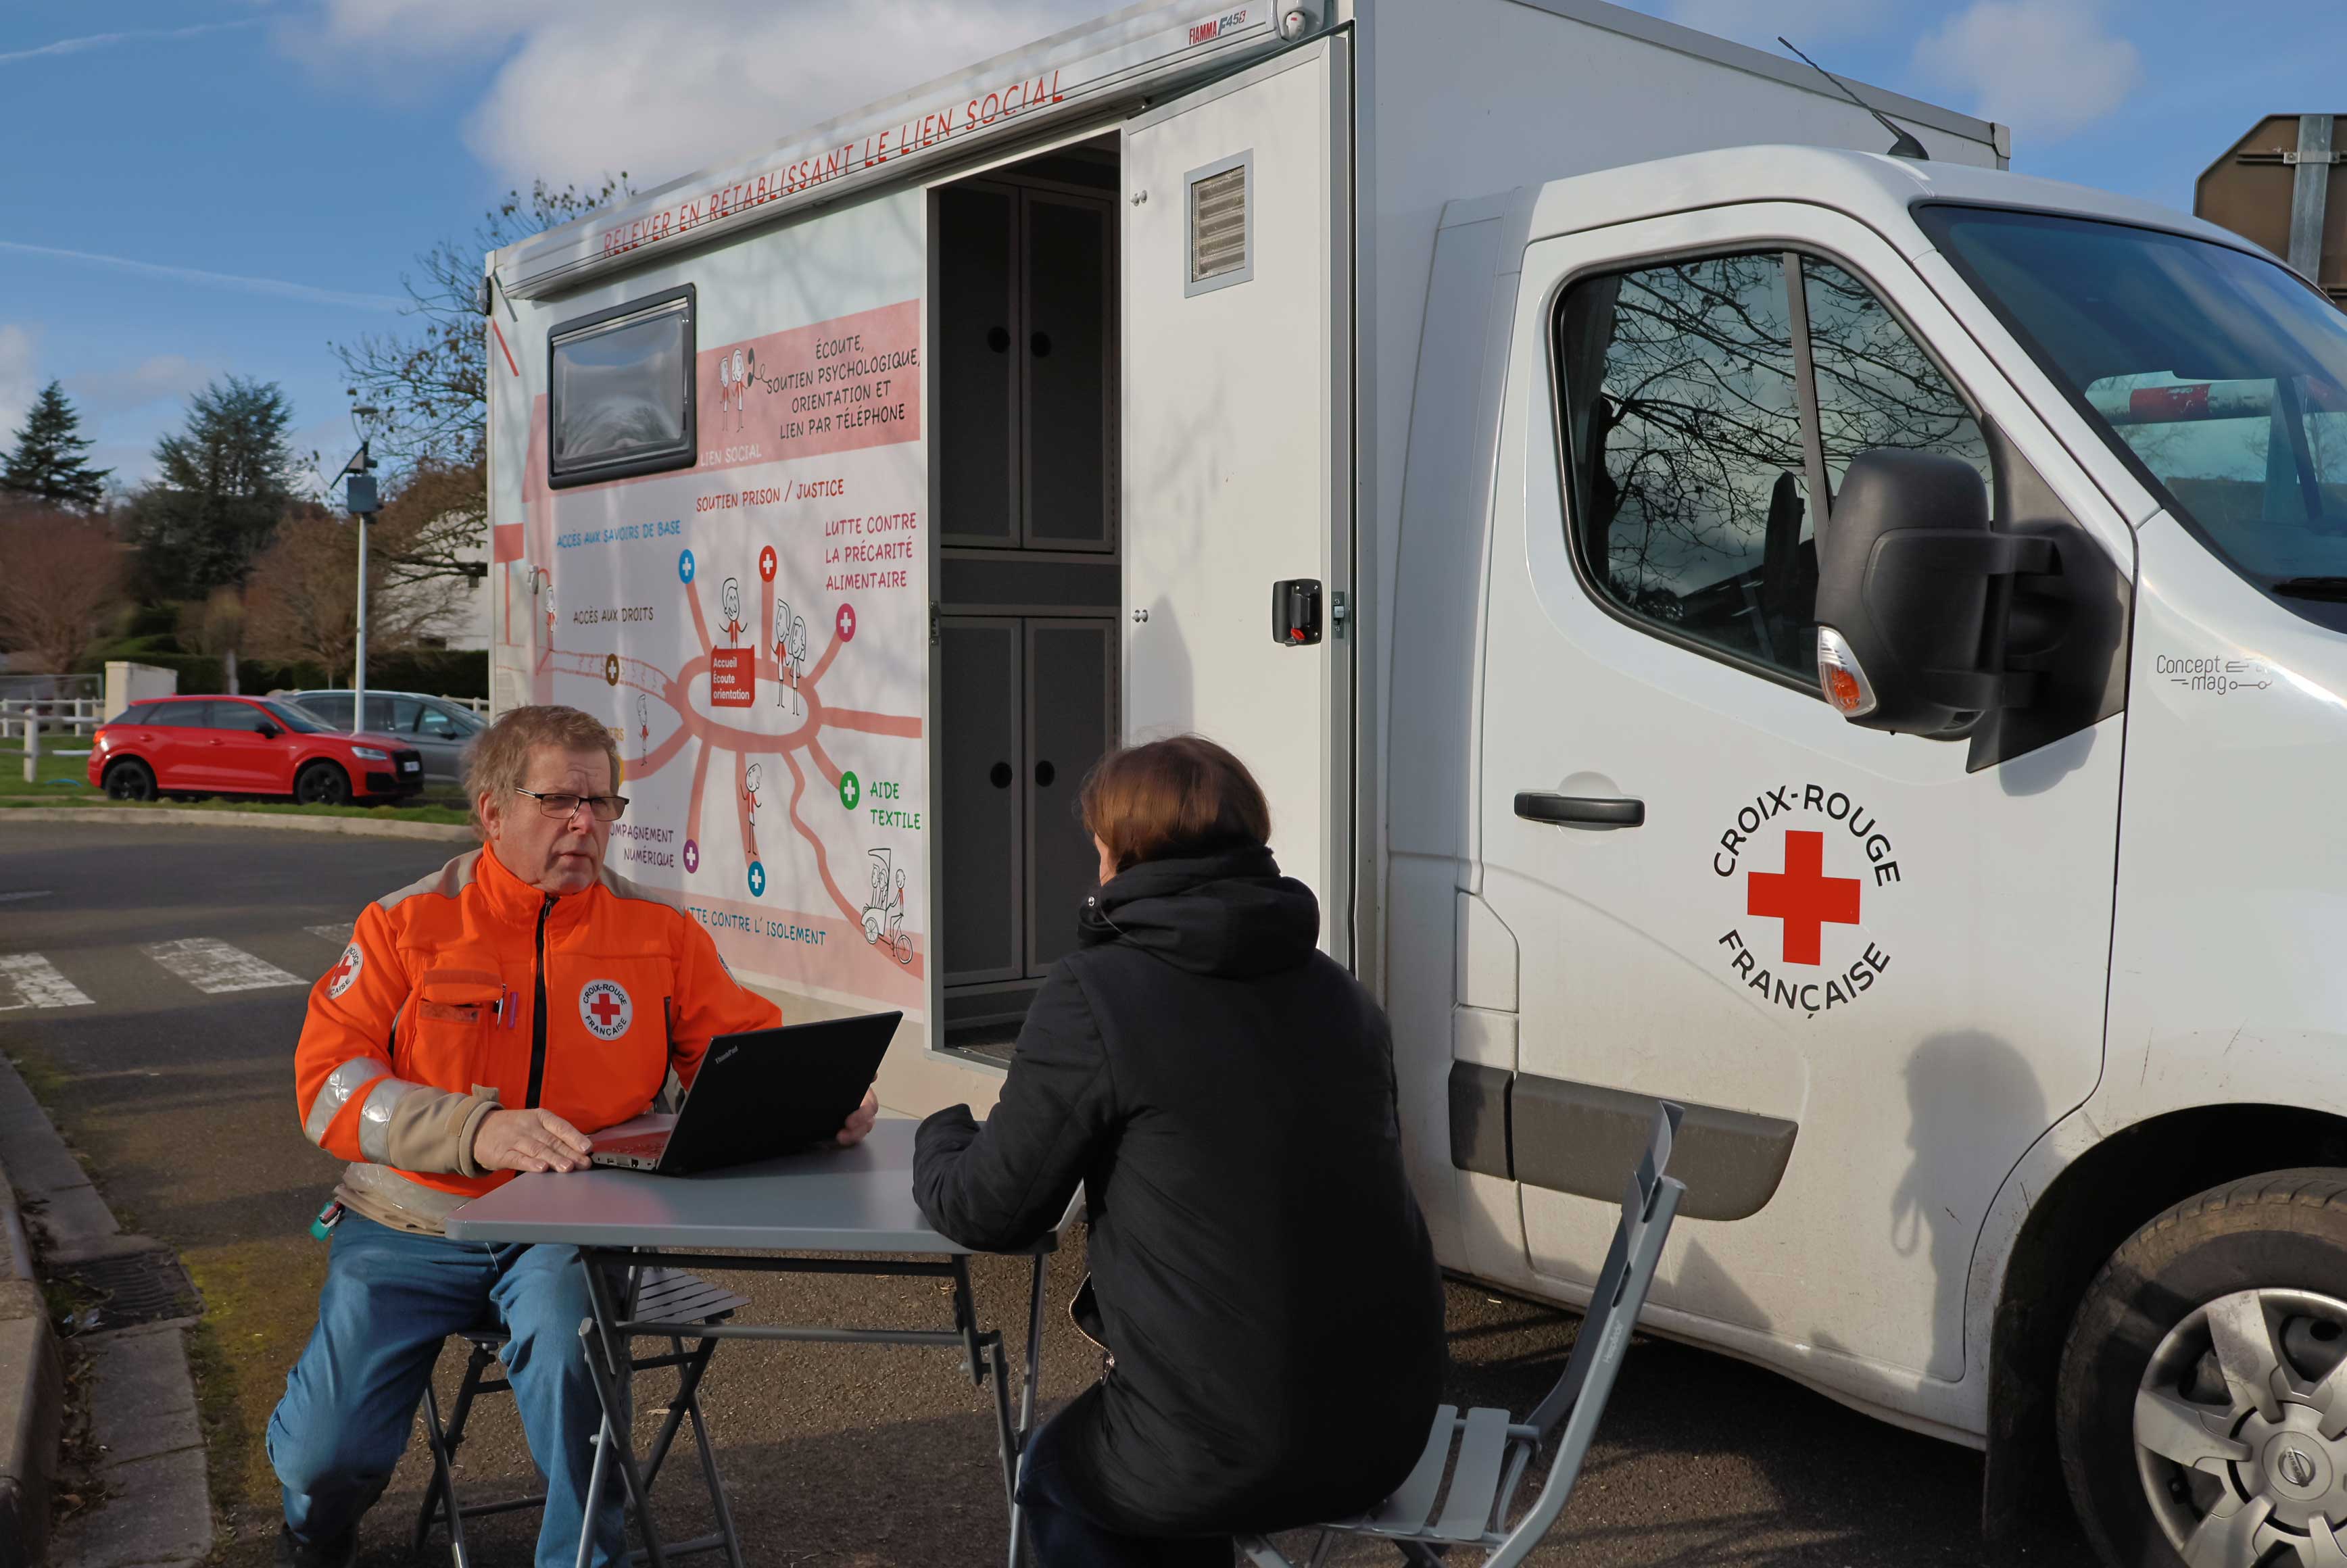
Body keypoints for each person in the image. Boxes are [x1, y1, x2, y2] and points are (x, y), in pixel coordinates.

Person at [269, 704, 877, 1568]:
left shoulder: (657, 933)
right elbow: (328, 1085)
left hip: (569, 1228)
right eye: (559, 801)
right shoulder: (405, 925)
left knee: (573, 1353)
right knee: (322, 1457)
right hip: (408, 1228)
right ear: (491, 810)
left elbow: (739, 1061)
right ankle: (314, 1525)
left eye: (602, 805)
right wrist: (475, 1129)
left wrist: (819, 1104)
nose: (585, 824)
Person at [913, 735, 1445, 1566]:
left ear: (1121, 853)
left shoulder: (1098, 994)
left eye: (1095, 844)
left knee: (1058, 1470)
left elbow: (988, 1206)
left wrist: (936, 1128)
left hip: (1230, 1449)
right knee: (1167, 1454)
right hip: (1387, 1429)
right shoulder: (1340, 993)